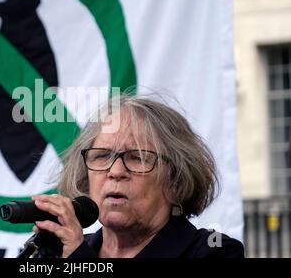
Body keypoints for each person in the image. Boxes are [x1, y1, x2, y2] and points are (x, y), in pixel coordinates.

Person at [31, 95, 244, 258]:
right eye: (103, 156)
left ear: (176, 180)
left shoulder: (215, 252)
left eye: (137, 158)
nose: (115, 172)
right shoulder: (67, 250)